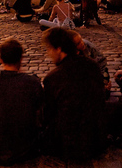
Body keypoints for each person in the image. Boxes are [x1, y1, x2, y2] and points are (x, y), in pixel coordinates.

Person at [0, 38, 43, 165]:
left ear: (0, 58)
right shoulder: (33, 82)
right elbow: (38, 113)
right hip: (27, 150)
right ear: (21, 59)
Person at [42, 27, 106, 160]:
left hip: (67, 145)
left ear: (58, 49)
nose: (49, 53)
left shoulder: (53, 78)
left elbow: (49, 114)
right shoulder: (93, 66)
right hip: (96, 141)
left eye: (49, 49)